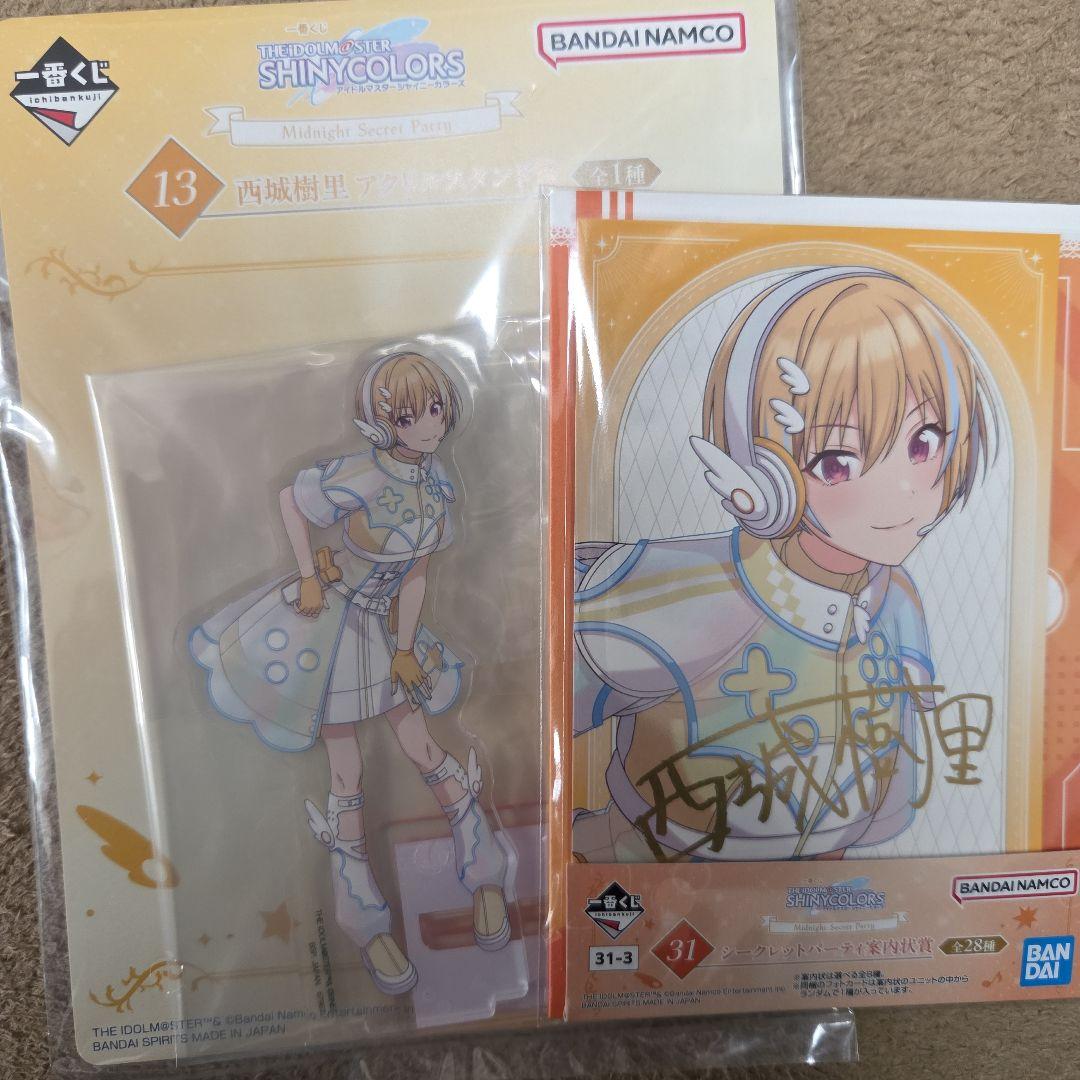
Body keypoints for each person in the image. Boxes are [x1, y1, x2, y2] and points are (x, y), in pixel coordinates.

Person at [573, 267, 997, 863]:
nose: (906, 491)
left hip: (817, 880)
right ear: (759, 474)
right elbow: (540, 714)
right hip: (654, 864)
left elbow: (889, 742)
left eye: (924, 442)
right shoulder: (689, 592)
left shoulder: (894, 596)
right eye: (838, 461)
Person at [192, 351, 510, 996]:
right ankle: (364, 922)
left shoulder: (435, 486)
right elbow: (292, 499)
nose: (429, 425)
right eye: (410, 415)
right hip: (329, 628)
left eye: (436, 409)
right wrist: (308, 575)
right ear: (382, 420)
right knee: (347, 772)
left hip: (383, 630)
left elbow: (416, 576)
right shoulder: (364, 473)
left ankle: (485, 877)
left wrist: (404, 647)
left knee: (423, 746)